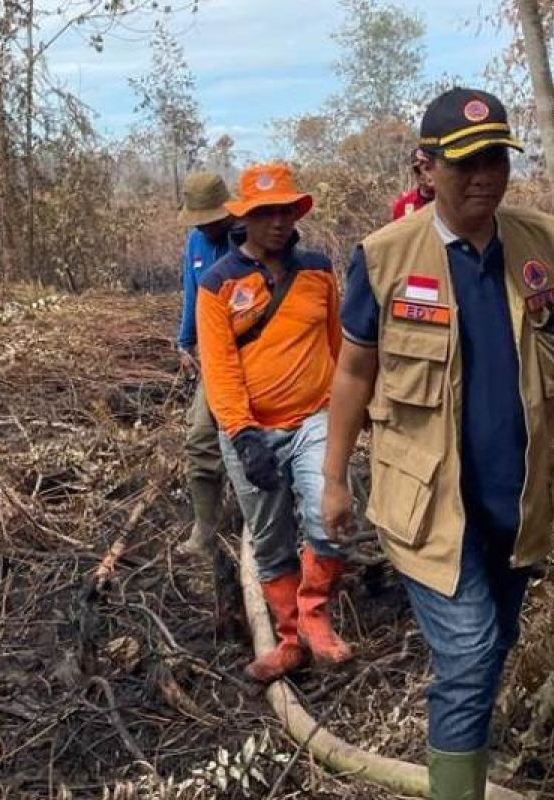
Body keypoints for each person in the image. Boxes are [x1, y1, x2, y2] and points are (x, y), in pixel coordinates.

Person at [321, 87, 554, 799]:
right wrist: (335, 475)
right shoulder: (384, 259)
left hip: (520, 501)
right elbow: (352, 370)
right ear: (425, 168)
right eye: (465, 163)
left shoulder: (545, 245)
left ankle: (464, 752)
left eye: (495, 159)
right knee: (469, 655)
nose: (484, 178)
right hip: (428, 507)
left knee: (493, 644)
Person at [196, 162, 353, 682]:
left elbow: (339, 345)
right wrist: (242, 435)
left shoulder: (317, 270)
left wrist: (352, 410)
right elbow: (218, 368)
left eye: (285, 211)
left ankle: (314, 615)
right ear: (247, 218)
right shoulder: (219, 283)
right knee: (269, 537)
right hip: (251, 426)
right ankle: (289, 640)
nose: (279, 223)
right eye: (266, 213)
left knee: (328, 519)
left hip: (315, 417)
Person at [175, 172, 235, 558]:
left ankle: (258, 528)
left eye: (210, 217)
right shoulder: (196, 241)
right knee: (200, 441)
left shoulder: (248, 237)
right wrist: (184, 341)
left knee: (249, 444)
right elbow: (192, 294)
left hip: (252, 356)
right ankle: (205, 529)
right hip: (213, 360)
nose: (204, 225)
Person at [391, 147, 435, 220]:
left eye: (428, 168)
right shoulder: (402, 206)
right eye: (417, 171)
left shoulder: (449, 201)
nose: (421, 175)